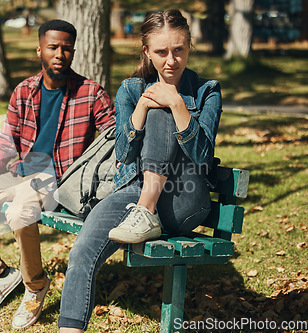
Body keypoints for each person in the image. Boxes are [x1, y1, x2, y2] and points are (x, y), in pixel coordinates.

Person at [0, 19, 115, 329]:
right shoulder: (24, 91)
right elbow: (5, 146)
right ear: (39, 49)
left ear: (73, 51)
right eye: (53, 47)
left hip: (57, 181)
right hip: (20, 175)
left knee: (19, 213)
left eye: (66, 49)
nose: (60, 54)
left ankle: (35, 285)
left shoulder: (90, 93)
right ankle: (1, 275)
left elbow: (115, 137)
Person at [58, 10, 222, 332]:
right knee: (82, 251)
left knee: (164, 104)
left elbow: (203, 157)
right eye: (162, 52)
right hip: (134, 192)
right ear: (146, 51)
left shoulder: (207, 91)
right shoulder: (132, 90)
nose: (172, 60)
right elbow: (124, 153)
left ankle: (146, 211)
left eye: (180, 50)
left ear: (190, 46)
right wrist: (141, 109)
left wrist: (176, 105)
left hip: (184, 199)